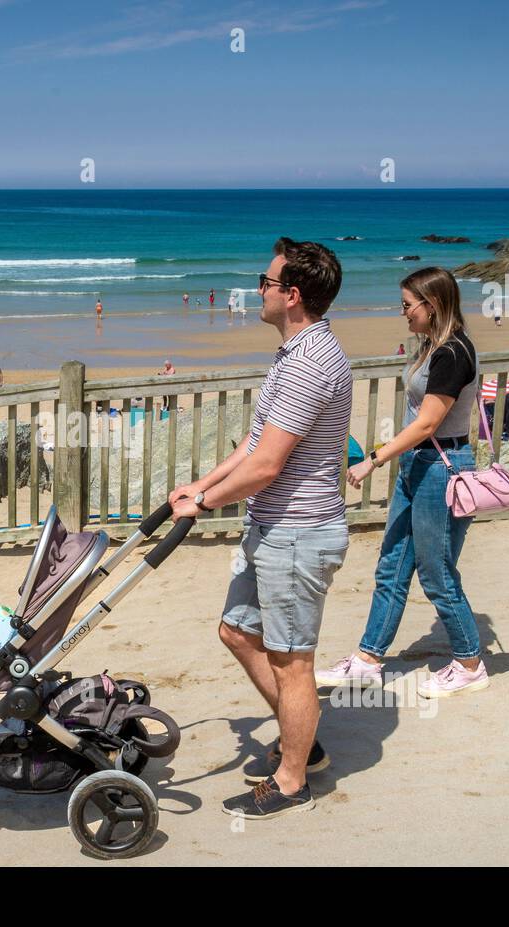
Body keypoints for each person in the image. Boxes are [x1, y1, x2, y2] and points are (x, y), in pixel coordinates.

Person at [170, 237, 351, 820]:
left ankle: (294, 779)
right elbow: (254, 446)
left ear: (292, 295)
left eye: (266, 282)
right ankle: (304, 740)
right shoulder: (293, 354)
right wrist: (199, 488)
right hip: (271, 527)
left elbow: (269, 466)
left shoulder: (309, 363)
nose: (258, 290)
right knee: (236, 632)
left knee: (292, 661)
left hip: (298, 533)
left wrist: (207, 504)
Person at [322, 266, 489, 699]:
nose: (403, 313)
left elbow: (428, 422)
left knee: (436, 572)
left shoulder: (453, 353)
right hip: (420, 464)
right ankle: (367, 660)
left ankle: (470, 662)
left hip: (443, 467)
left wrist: (372, 460)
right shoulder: (433, 348)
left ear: (431, 306)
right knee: (392, 565)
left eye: (407, 305)